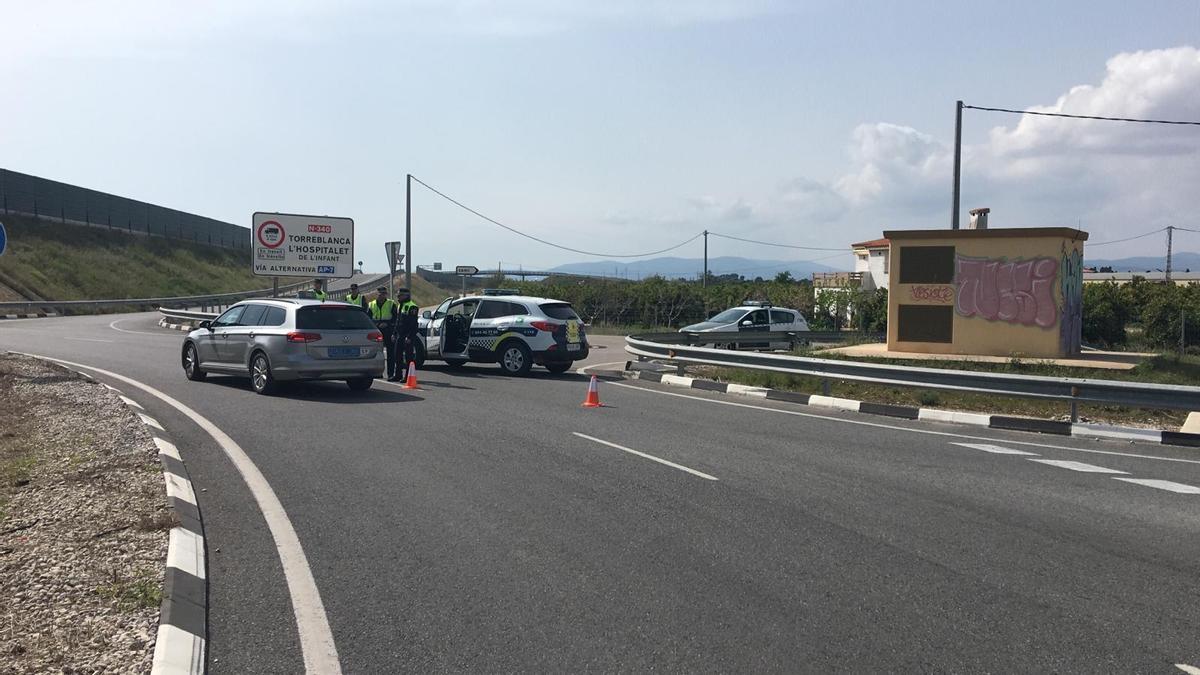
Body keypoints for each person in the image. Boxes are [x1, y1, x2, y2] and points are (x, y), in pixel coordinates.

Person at [368, 287, 399, 380]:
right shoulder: (371, 304)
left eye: (384, 293)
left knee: (390, 353)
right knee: (375, 352)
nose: (382, 295)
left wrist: (387, 324)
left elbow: (395, 319)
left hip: (388, 330)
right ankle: (377, 372)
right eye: (380, 294)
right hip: (376, 330)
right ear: (377, 294)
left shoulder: (391, 303)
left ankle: (390, 373)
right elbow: (368, 318)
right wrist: (377, 324)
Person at [394, 288, 421, 378]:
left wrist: (409, 337)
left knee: (408, 357)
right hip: (400, 335)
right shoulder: (400, 305)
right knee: (397, 356)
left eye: (400, 296)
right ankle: (398, 375)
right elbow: (397, 321)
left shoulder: (412, 306)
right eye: (398, 295)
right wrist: (394, 333)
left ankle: (408, 376)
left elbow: (414, 325)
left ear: (406, 296)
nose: (398, 297)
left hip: (407, 335)